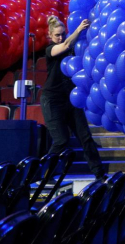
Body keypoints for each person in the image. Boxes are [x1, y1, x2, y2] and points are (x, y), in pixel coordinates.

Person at [43, 16, 106, 180]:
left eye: (63, 34)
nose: (60, 37)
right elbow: (65, 45)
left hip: (71, 98)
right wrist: (78, 30)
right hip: (53, 100)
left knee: (85, 137)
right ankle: (44, 174)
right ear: (50, 35)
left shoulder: (73, 48)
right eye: (57, 35)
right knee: (61, 140)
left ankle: (100, 175)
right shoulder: (50, 49)